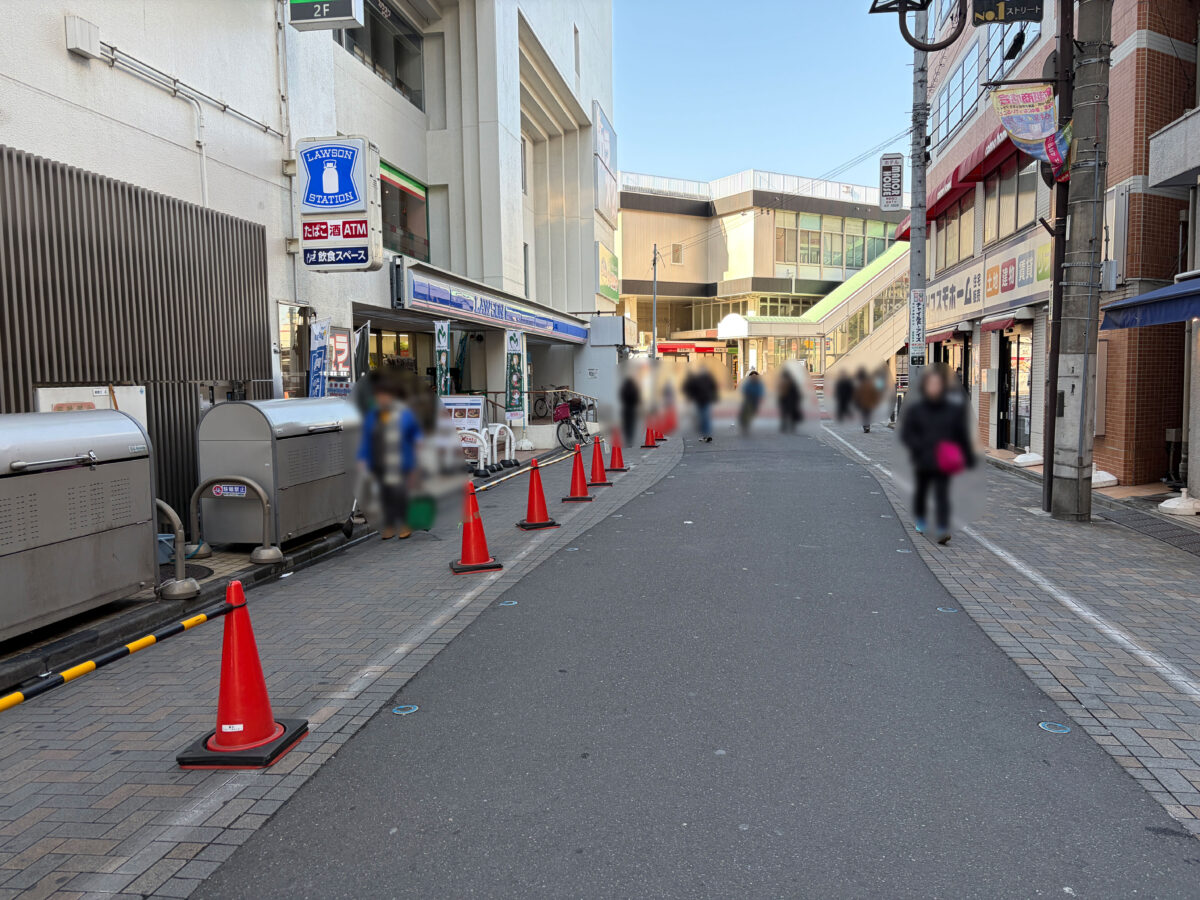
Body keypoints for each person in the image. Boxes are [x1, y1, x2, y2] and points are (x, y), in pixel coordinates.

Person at [899, 365, 975, 545]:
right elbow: (907, 433)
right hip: (922, 458)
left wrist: (967, 454)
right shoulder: (917, 409)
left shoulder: (951, 409)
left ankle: (942, 528)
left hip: (943, 458)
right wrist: (918, 447)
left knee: (942, 493)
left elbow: (960, 432)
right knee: (923, 491)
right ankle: (921, 518)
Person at [359, 375, 423, 540]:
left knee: (400, 493)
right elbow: (366, 438)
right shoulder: (373, 415)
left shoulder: (405, 413)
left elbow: (416, 433)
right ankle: (389, 525)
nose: (382, 399)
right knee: (384, 494)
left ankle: (405, 523)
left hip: (402, 460)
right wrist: (362, 458)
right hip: (380, 461)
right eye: (379, 396)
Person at [683, 366, 718, 442]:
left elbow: (713, 388)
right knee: (705, 417)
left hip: (701, 400)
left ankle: (705, 434)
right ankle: (706, 434)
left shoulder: (701, 379)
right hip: (703, 400)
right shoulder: (707, 379)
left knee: (703, 417)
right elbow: (714, 388)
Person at [853, 367, 881, 433]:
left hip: (862, 403)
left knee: (864, 415)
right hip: (870, 403)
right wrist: (875, 402)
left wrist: (856, 403)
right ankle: (867, 426)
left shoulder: (859, 385)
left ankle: (866, 426)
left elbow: (857, 395)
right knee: (868, 415)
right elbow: (875, 394)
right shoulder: (871, 384)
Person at [619, 371, 641, 449]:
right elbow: (638, 398)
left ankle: (626, 440)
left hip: (625, 408)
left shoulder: (624, 388)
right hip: (632, 409)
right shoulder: (634, 388)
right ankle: (630, 440)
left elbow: (621, 396)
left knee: (626, 425)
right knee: (631, 425)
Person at [738, 370, 765, 434]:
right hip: (748, 400)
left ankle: (746, 424)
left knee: (752, 413)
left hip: (755, 400)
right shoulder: (747, 384)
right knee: (746, 413)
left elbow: (761, 392)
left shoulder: (759, 384)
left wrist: (760, 398)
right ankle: (745, 425)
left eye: (755, 376)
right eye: (752, 377)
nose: (754, 378)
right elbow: (744, 390)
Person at [778, 369, 802, 434]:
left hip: (787, 400)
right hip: (790, 400)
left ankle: (784, 427)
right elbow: (797, 392)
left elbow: (780, 393)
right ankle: (790, 427)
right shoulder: (792, 382)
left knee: (785, 414)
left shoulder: (783, 382)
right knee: (789, 414)